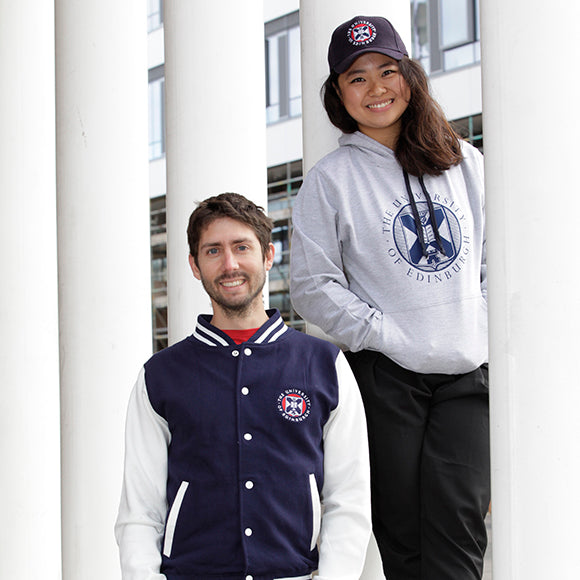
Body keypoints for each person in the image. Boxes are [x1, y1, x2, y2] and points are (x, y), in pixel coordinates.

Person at [290, 15, 490, 580]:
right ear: (338, 93)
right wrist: (380, 332)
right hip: (384, 377)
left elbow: (495, 261)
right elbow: (312, 282)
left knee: (459, 529)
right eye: (356, 78)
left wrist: (475, 321)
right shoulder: (330, 179)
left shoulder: (465, 163)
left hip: (465, 376)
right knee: (400, 537)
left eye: (387, 70)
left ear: (411, 76)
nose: (376, 88)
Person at [115, 192, 371, 580]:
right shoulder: (161, 376)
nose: (229, 264)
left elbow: (348, 500)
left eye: (241, 247)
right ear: (195, 266)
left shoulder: (324, 365)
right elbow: (140, 511)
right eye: (213, 251)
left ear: (268, 256)